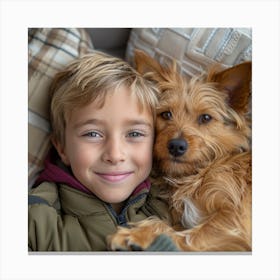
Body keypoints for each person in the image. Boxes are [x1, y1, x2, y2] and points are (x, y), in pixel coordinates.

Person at [28, 51, 177, 251]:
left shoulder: (175, 200)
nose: (115, 155)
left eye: (134, 134)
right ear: (62, 148)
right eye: (92, 134)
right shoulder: (33, 219)